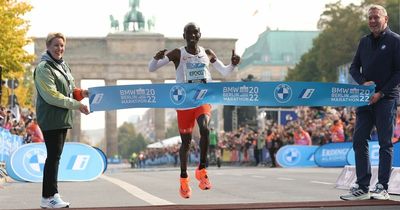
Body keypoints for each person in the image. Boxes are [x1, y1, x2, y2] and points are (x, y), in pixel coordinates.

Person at [148, 22, 240, 199]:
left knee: (205, 129)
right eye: (188, 33)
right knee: (186, 143)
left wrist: (233, 65)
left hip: (202, 98)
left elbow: (225, 72)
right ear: (184, 36)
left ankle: (202, 169)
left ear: (200, 34)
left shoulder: (207, 53)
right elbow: (152, 69)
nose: (192, 36)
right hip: (184, 102)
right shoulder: (177, 53)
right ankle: (184, 178)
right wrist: (155, 58)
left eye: (195, 33)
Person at [340, 4, 400, 201]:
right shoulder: (364, 41)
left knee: (384, 143)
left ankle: (382, 186)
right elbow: (354, 67)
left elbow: (399, 72)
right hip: (364, 98)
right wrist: (363, 83)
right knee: (359, 140)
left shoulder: (395, 41)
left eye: (376, 17)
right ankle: (363, 186)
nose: (372, 21)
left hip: (386, 98)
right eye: (370, 18)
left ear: (385, 19)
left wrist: (381, 93)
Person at [34, 32, 90, 208]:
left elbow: (71, 90)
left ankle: (51, 195)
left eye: (62, 45)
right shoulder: (44, 68)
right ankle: (49, 196)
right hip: (51, 117)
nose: (59, 49)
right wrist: (77, 104)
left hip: (62, 117)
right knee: (53, 157)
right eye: (56, 45)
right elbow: (52, 96)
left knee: (55, 156)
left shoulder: (63, 66)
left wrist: (83, 94)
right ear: (48, 47)